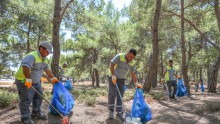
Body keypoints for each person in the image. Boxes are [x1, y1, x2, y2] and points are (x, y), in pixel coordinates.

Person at [15, 41, 59, 124]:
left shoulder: (45, 59)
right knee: (26, 99)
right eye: (47, 51)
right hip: (24, 81)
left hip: (36, 82)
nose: (48, 53)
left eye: (49, 52)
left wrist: (53, 78)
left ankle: (36, 112)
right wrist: (28, 79)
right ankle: (25, 117)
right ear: (41, 49)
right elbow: (25, 68)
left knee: (39, 96)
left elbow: (47, 70)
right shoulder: (32, 56)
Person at [108, 48, 142, 121]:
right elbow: (111, 64)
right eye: (131, 56)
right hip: (113, 77)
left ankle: (119, 112)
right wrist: (113, 75)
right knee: (112, 94)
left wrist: (136, 83)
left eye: (133, 58)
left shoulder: (132, 63)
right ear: (128, 53)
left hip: (122, 79)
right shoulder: (119, 56)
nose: (131, 58)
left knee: (120, 95)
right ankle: (111, 111)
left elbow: (133, 74)